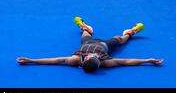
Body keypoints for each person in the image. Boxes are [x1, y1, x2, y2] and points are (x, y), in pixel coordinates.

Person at [16, 17, 163, 73]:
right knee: (121, 39)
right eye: (95, 57)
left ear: (84, 61)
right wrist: (147, 60)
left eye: (91, 57)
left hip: (88, 42)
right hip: (105, 44)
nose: (93, 55)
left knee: (85, 35)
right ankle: (132, 31)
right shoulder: (105, 63)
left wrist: (31, 60)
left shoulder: (75, 60)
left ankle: (84, 27)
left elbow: (54, 60)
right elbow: (126, 62)